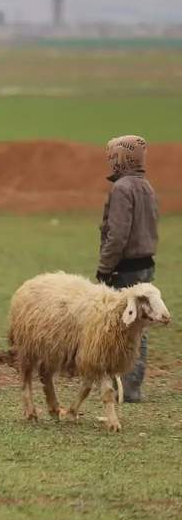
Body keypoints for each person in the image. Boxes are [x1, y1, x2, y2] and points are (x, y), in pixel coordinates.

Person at [96, 135, 158, 402]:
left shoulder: (122, 188)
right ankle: (133, 386)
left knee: (122, 326)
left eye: (113, 156)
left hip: (126, 267)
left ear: (122, 158)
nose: (110, 161)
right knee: (139, 328)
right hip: (146, 265)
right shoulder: (146, 186)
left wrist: (105, 267)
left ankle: (124, 386)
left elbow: (118, 234)